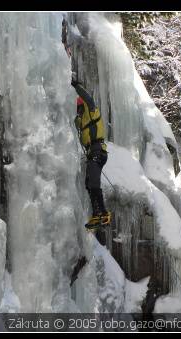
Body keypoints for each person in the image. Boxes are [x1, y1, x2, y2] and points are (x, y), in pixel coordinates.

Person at [71, 74, 111, 229]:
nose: (79, 110)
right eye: (78, 109)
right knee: (89, 185)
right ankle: (96, 214)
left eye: (80, 108)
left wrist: (76, 86)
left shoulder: (92, 111)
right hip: (92, 153)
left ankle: (104, 213)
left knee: (93, 184)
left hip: (97, 152)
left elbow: (88, 99)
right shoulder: (81, 121)